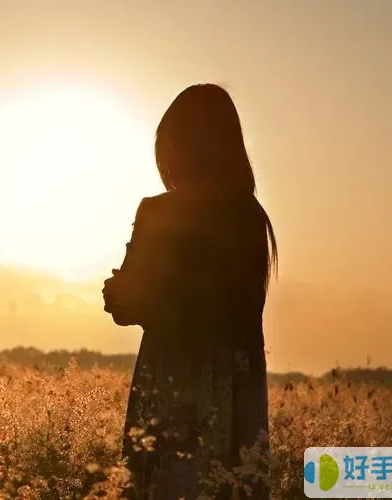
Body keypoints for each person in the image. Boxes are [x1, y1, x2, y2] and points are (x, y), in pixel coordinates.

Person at [102, 83, 277, 499]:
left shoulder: (159, 210)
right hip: (237, 387)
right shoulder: (251, 217)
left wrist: (124, 296)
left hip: (170, 377)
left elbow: (131, 305)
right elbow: (237, 311)